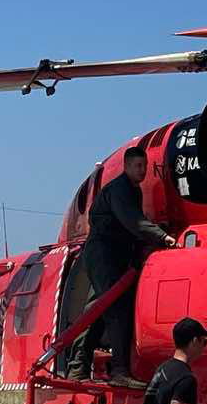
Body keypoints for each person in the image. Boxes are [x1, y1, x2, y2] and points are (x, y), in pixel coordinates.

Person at [72, 145, 175, 386]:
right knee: (115, 308)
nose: (143, 171)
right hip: (104, 253)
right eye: (138, 166)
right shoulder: (121, 190)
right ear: (127, 166)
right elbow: (133, 221)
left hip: (110, 254)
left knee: (97, 309)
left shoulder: (131, 190)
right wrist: (162, 236)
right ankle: (119, 371)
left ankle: (78, 367)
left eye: (145, 166)